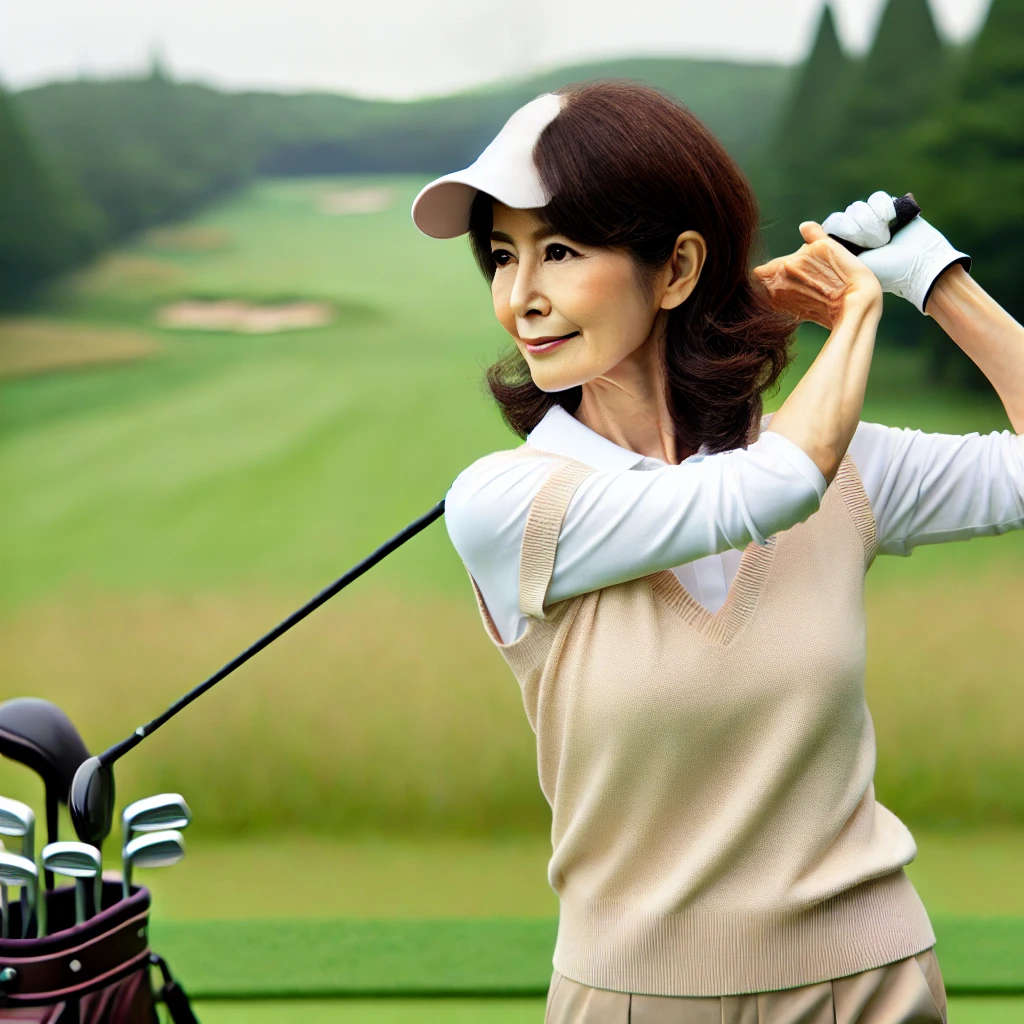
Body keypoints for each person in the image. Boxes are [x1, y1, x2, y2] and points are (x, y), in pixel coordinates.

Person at [410, 81, 1024, 1024]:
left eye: (560, 252)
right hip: (633, 1000)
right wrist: (853, 315)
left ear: (678, 267)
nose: (519, 299)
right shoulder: (508, 502)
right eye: (502, 257)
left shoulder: (845, 468)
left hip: (873, 984)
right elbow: (773, 486)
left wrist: (940, 285)